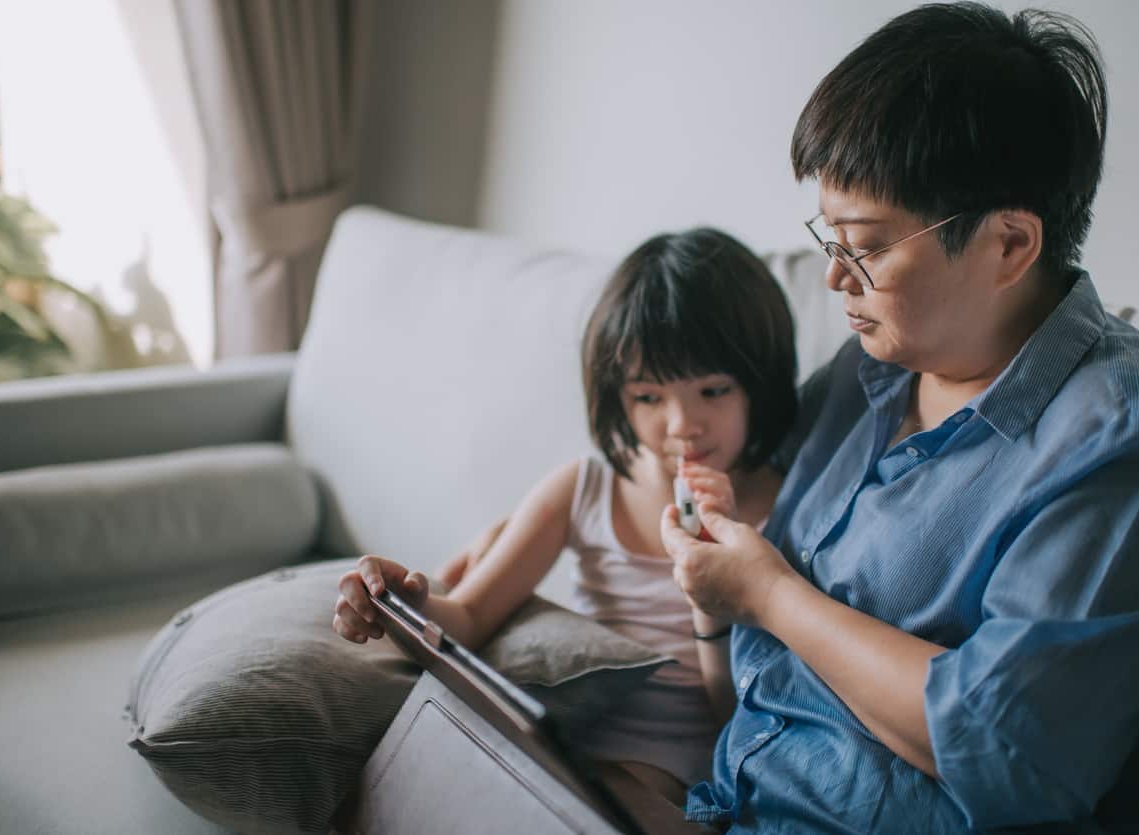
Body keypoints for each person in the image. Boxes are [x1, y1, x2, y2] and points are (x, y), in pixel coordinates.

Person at [656, 3, 1139, 833]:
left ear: (1009, 243)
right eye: (827, 233)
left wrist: (770, 596)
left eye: (863, 243)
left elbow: (1005, 749)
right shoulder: (872, 368)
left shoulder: (1130, 446)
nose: (833, 278)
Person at [332, 227, 799, 803]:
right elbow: (470, 617)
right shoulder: (585, 488)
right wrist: (399, 601)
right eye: (648, 397)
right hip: (561, 737)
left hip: (681, 768)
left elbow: (736, 711)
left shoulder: (790, 506)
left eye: (713, 390)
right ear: (616, 397)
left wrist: (711, 590)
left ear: (760, 383)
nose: (681, 425)